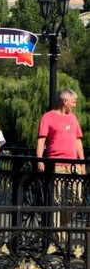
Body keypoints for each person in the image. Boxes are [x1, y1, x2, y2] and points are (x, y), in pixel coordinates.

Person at [36, 89, 85, 225]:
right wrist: (40, 160)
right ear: (65, 101)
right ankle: (58, 236)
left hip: (73, 165)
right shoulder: (48, 117)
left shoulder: (73, 118)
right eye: (73, 102)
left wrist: (82, 162)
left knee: (77, 199)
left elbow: (78, 141)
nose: (75, 105)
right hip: (55, 165)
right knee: (56, 201)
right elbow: (41, 140)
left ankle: (63, 224)